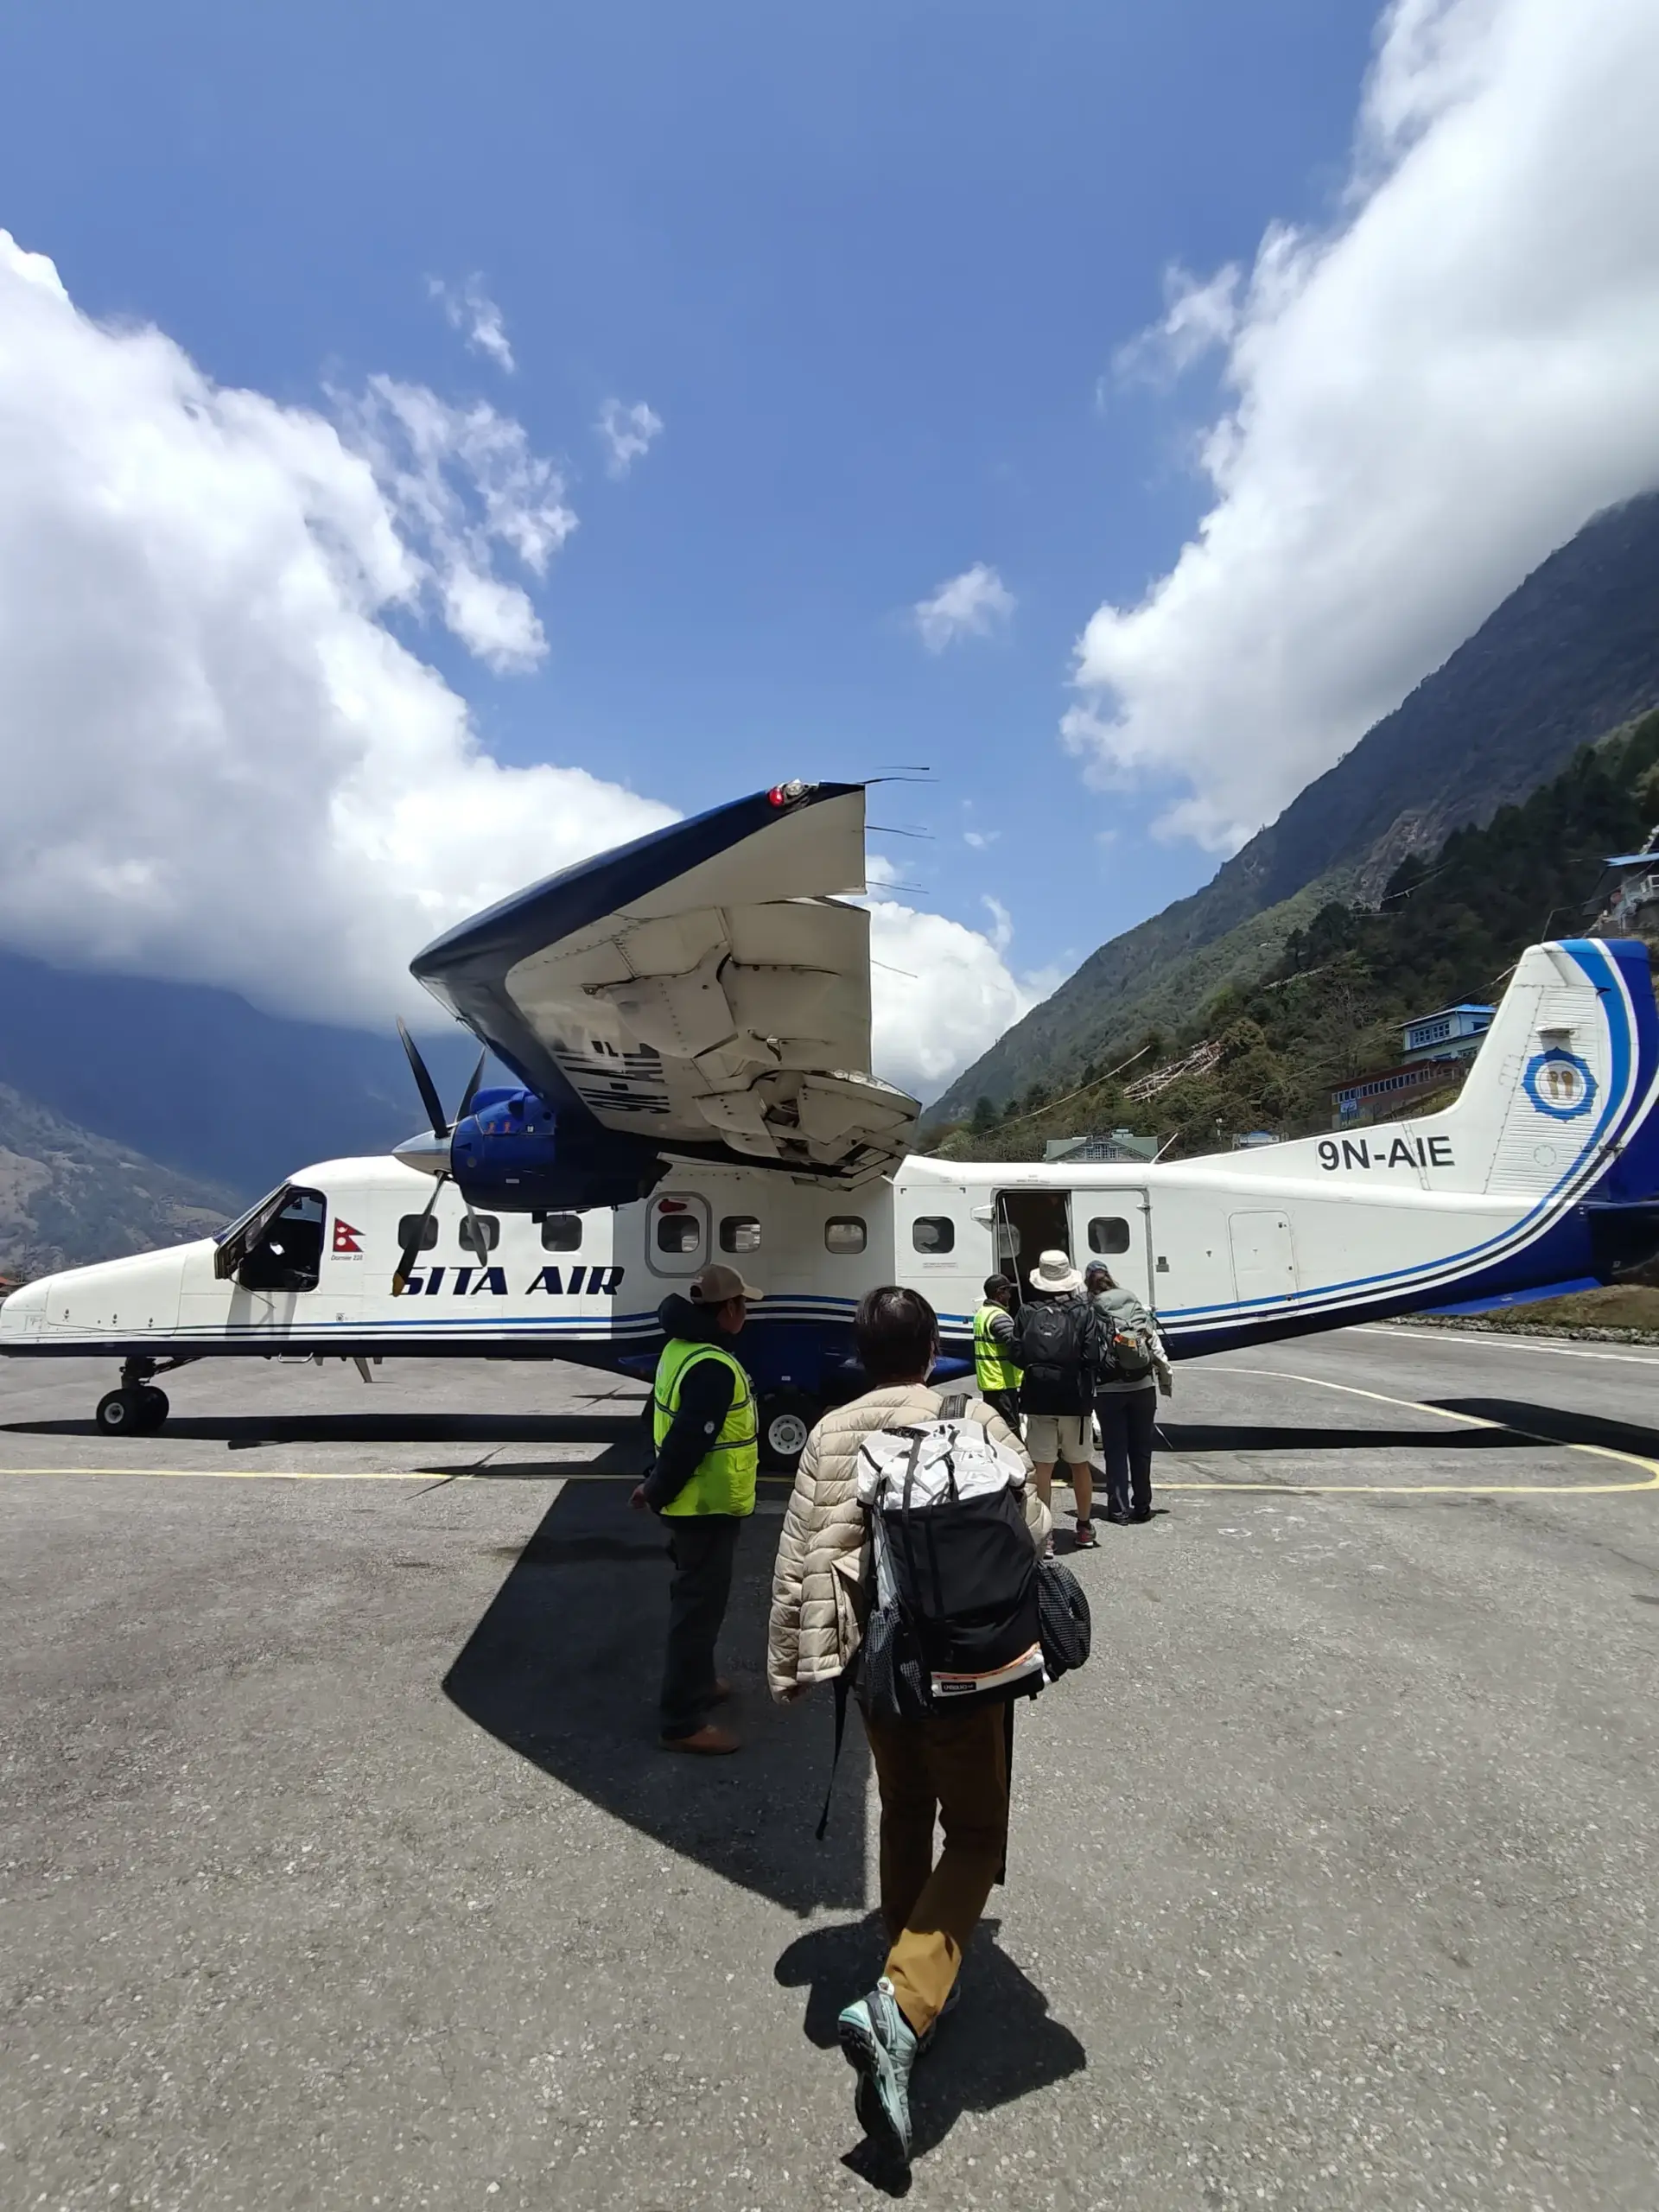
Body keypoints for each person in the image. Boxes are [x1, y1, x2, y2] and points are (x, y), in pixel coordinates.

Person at [767, 1286, 1048, 2171]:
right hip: (967, 1671)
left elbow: (802, 1556)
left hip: (878, 1669)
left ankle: (904, 1953)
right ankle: (903, 2000)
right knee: (974, 1832)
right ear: (931, 1349)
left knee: (902, 1810)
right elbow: (1033, 1529)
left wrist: (792, 1666)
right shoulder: (974, 1418)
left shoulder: (829, 1432)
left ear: (860, 1351)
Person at [632, 1261, 762, 1754]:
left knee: (701, 1604)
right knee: (696, 1612)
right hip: (703, 1508)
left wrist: (650, 1476)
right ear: (728, 1309)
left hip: (691, 1506)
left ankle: (702, 1683)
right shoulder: (712, 1365)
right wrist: (656, 1488)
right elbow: (688, 1439)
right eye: (743, 1304)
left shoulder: (679, 1351)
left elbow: (652, 1417)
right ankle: (682, 1721)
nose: (746, 1313)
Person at [1010, 1249, 1099, 1553]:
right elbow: (1092, 1356)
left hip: (1037, 1398)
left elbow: (1017, 1355)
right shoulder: (1084, 1311)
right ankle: (1084, 1528)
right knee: (1080, 1466)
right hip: (1075, 1401)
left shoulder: (1026, 1311)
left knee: (1042, 1469)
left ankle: (1045, 1535)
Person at [1084, 1260, 1173, 1525]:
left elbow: (1087, 1352)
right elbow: (1154, 1346)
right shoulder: (1133, 1303)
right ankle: (1143, 1506)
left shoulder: (1091, 1310)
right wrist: (1165, 1380)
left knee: (1115, 1450)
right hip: (1143, 1387)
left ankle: (1119, 1510)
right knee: (1141, 1449)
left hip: (1109, 1391)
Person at [971, 1274, 1023, 1437]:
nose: (1010, 1296)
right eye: (1008, 1292)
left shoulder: (982, 1314)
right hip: (1002, 1383)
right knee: (1009, 1429)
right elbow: (1015, 1345)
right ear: (1000, 1293)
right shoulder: (998, 1317)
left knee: (995, 1426)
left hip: (990, 1382)